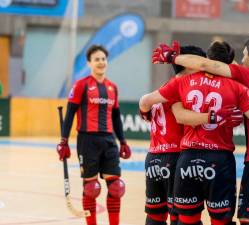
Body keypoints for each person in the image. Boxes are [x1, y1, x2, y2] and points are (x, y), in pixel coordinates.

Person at [152, 37, 249, 225]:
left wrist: (172, 57)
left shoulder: (247, 77)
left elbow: (205, 64)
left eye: (243, 57)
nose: (240, 62)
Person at [56, 45, 131, 225]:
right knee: (91, 188)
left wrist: (123, 142)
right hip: (87, 140)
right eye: (97, 59)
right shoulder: (81, 85)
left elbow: (116, 116)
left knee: (116, 187)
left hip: (108, 140)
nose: (101, 62)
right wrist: (63, 141)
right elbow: (70, 113)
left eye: (103, 59)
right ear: (89, 63)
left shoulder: (112, 87)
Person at [140, 45, 208, 225]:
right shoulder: (183, 86)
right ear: (189, 65)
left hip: (154, 157)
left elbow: (144, 103)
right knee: (184, 217)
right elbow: (182, 117)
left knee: (156, 216)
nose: (204, 67)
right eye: (201, 63)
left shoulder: (164, 87)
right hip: (176, 157)